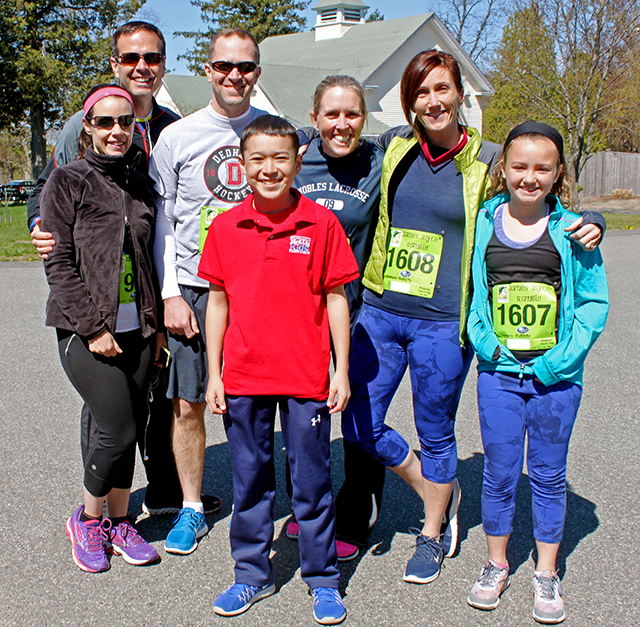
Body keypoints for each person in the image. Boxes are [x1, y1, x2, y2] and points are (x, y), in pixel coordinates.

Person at [340, 50, 606, 586]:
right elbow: (326, 136)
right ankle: (429, 484)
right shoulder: (393, 149)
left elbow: (543, 198)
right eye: (421, 92)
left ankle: (433, 530)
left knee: (435, 430)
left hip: (443, 322)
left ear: (461, 92)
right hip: (381, 309)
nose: (433, 101)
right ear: (409, 102)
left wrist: (592, 219)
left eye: (442, 88)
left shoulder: (488, 161)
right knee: (354, 418)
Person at [26, 21, 221, 518]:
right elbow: (47, 188)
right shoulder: (84, 122)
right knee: (109, 408)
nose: (142, 67)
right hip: (99, 297)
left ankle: (162, 492)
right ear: (115, 63)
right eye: (131, 58)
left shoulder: (175, 125)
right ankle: (97, 509)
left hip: (157, 289)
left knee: (157, 392)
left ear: (162, 65)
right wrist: (39, 226)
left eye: (152, 58)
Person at [198, 114, 358, 625]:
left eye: (280, 158)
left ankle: (323, 579)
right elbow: (217, 303)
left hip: (306, 373)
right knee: (250, 480)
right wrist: (214, 373)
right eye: (258, 158)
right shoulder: (225, 226)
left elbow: (337, 298)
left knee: (311, 483)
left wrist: (341, 369)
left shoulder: (321, 223)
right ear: (241, 164)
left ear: (297, 162)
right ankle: (251, 575)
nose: (269, 169)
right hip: (243, 374)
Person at [465, 121, 608, 624]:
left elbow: (593, 304)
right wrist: (487, 344)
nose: (530, 177)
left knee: (548, 476)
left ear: (558, 173)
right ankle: (495, 563)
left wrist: (556, 362)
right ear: (502, 168)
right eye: (519, 166)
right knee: (499, 474)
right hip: (498, 375)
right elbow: (473, 294)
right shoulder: (483, 219)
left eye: (542, 168)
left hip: (556, 379)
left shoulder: (574, 232)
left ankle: (546, 574)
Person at [150, 27, 268, 555]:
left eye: (244, 67)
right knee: (187, 404)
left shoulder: (277, 133)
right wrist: (171, 293)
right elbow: (163, 221)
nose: (234, 75)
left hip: (260, 294)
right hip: (196, 289)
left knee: (259, 404)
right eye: (224, 66)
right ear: (208, 70)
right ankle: (192, 507)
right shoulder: (179, 136)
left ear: (257, 73)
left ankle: (258, 502)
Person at [40, 85, 161, 572]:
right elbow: (60, 265)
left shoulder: (141, 183)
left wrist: (157, 326)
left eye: (125, 123)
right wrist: (92, 329)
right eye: (105, 122)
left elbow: (150, 258)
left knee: (133, 427)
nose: (116, 131)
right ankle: (87, 520)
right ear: (87, 127)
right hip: (83, 329)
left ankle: (119, 519)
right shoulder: (67, 181)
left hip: (140, 330)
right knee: (117, 426)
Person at [284, 75, 389, 560]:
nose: (342, 124)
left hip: (358, 311)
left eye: (352, 114)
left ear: (364, 119)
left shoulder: (380, 161)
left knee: (359, 416)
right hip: (298, 315)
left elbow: (481, 154)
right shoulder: (296, 159)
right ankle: (307, 509)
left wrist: (581, 217)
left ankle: (353, 515)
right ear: (314, 118)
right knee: (302, 417)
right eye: (332, 114)